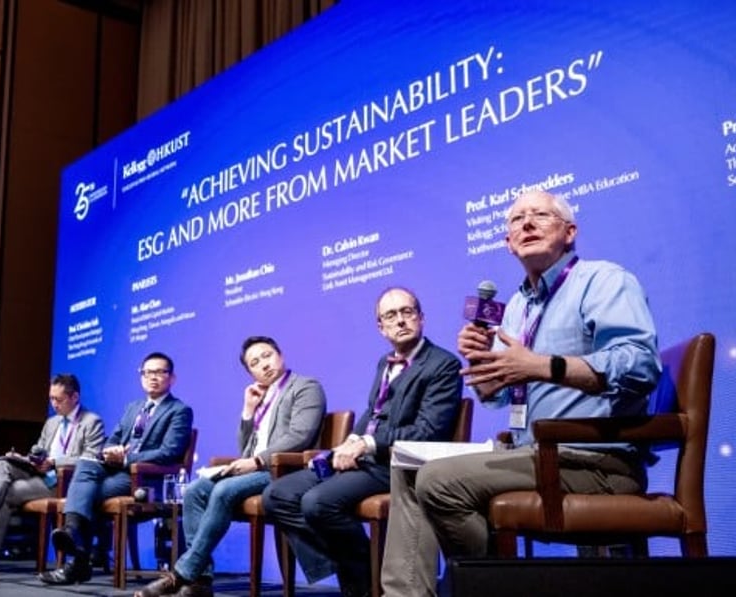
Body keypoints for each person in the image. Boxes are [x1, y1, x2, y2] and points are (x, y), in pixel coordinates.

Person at [380, 190, 661, 596]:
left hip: (595, 460)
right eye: (516, 220)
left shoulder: (603, 280)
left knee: (438, 481)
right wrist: (483, 369)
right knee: (408, 467)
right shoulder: (516, 307)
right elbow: (497, 396)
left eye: (540, 215)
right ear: (508, 243)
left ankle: (493, 587)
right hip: (531, 452)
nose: (526, 223)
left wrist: (541, 365)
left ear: (570, 232)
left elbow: (639, 365)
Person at [263, 287, 463, 597]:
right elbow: (374, 412)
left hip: (396, 463)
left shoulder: (443, 365)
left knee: (317, 503)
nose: (400, 321)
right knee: (278, 494)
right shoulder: (384, 363)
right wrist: (351, 441)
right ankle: (364, 573)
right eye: (390, 316)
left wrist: (367, 444)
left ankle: (361, 588)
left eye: (407, 312)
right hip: (365, 457)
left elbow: (429, 431)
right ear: (380, 327)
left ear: (421, 318)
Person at [135, 336, 328, 597]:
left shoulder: (305, 386)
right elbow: (245, 448)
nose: (264, 364)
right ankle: (201, 581)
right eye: (255, 363)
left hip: (284, 472)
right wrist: (248, 411)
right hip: (256, 469)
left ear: (280, 355)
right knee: (194, 491)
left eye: (267, 355)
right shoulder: (261, 397)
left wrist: (258, 460)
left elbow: (300, 436)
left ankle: (183, 572)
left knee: (223, 491)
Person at [39, 352, 194, 585]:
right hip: (116, 469)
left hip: (144, 479)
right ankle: (73, 533)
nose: (153, 377)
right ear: (141, 376)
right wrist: (110, 451)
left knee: (86, 494)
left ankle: (77, 559)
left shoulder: (179, 410)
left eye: (160, 372)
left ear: (172, 378)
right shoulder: (134, 407)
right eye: (147, 372)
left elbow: (169, 452)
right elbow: (113, 438)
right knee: (86, 463)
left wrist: (127, 458)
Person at [0, 373, 105, 581]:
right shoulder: (52, 422)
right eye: (51, 399)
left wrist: (54, 462)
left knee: (6, 493)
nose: (54, 404)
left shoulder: (92, 421)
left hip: (64, 482)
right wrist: (29, 456)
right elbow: (40, 448)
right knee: (1, 463)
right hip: (39, 473)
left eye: (59, 399)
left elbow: (90, 459)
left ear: (74, 398)